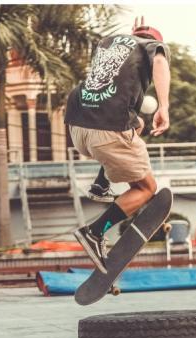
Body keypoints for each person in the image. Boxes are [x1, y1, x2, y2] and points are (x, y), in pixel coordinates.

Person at [66, 16, 171, 273]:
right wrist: (164, 107)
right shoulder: (151, 46)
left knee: (137, 125)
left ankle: (101, 184)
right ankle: (95, 232)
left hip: (77, 127)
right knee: (146, 188)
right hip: (108, 131)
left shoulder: (107, 43)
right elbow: (159, 61)